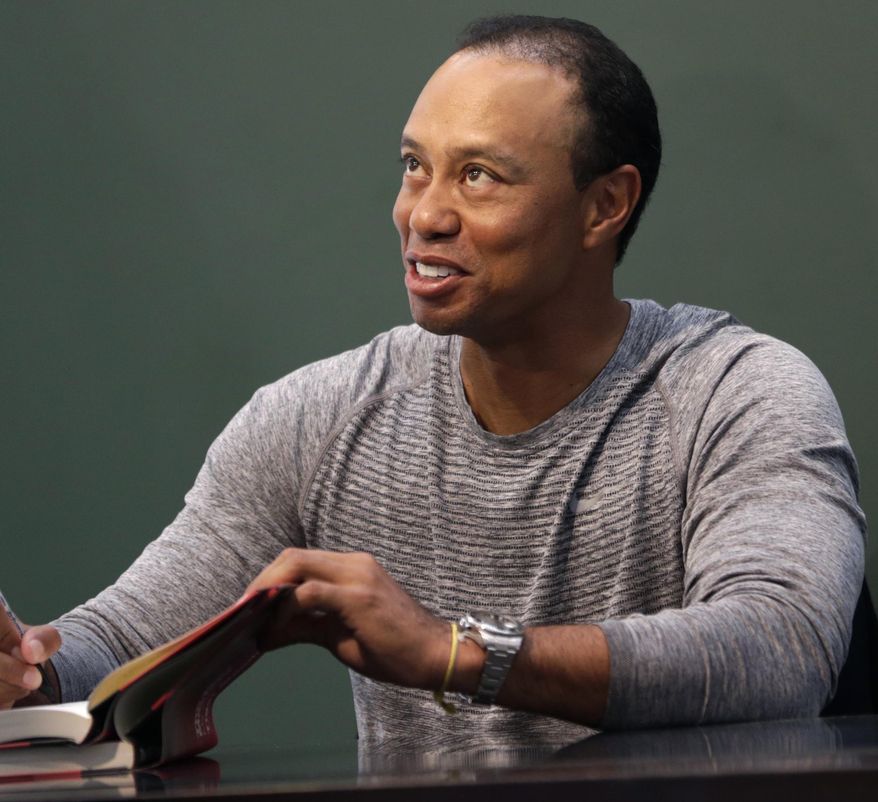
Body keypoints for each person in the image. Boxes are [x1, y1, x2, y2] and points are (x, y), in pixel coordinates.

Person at [0, 15, 866, 750]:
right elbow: (114, 647)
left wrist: (454, 651)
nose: (424, 214)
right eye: (416, 165)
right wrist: (25, 675)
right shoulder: (318, 419)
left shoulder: (738, 393)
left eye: (478, 175)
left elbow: (780, 649)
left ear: (606, 205)